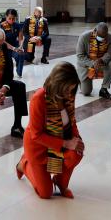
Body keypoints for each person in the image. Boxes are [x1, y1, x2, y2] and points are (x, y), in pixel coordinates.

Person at [15, 62, 84, 199]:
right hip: (38, 147)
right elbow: (36, 135)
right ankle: (24, 164)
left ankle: (60, 181)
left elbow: (72, 122)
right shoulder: (39, 98)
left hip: (60, 141)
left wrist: (77, 139)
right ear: (57, 84)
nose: (69, 94)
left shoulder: (69, 94)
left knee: (76, 153)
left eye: (72, 90)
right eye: (66, 90)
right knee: (45, 194)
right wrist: (66, 144)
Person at [76, 22, 111, 99]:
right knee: (86, 92)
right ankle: (80, 79)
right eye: (100, 36)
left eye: (104, 36)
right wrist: (93, 63)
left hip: (101, 62)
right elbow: (80, 56)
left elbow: (109, 53)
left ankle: (104, 89)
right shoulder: (84, 37)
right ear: (95, 31)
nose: (102, 38)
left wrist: (101, 60)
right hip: (87, 65)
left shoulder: (109, 37)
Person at [0, 9, 25, 78]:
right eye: (9, 18)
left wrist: (20, 46)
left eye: (13, 19)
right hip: (5, 47)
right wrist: (14, 48)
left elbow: (20, 38)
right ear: (6, 17)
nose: (11, 20)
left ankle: (19, 71)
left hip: (15, 44)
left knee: (21, 53)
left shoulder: (18, 25)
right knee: (9, 63)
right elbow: (2, 41)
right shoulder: (2, 26)